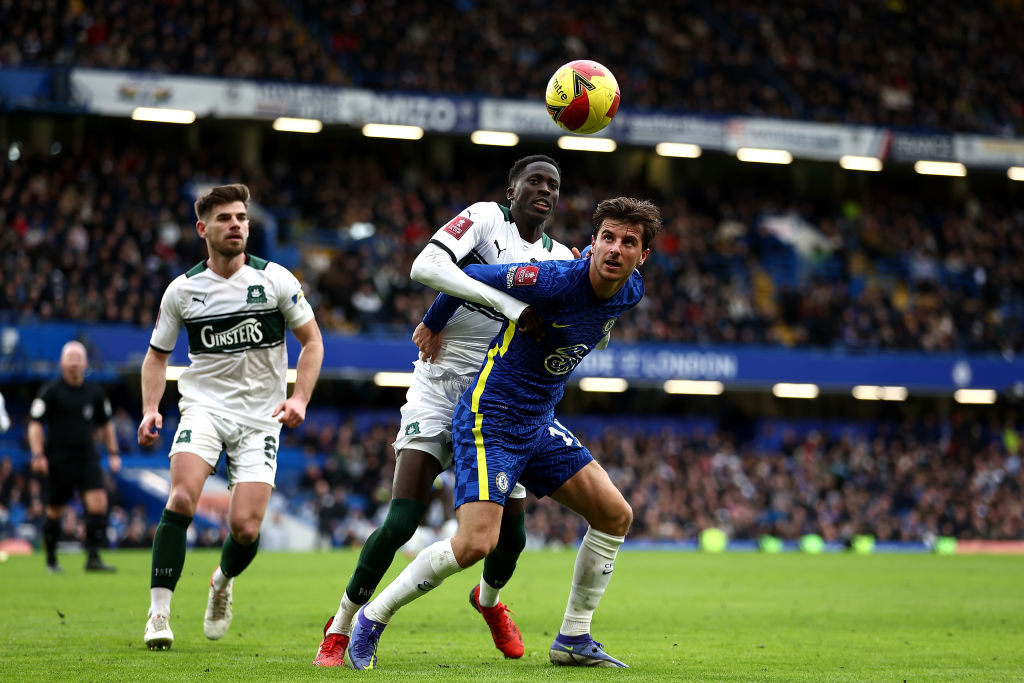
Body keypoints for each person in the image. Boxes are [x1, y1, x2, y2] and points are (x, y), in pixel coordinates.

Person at [344, 196, 663, 670]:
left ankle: (573, 638)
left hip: (539, 420)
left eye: (629, 242)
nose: (616, 249)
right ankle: (371, 618)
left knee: (615, 515)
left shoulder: (630, 290)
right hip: (489, 415)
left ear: (643, 256)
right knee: (476, 544)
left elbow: (600, 325)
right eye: (608, 238)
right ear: (591, 243)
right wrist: (435, 321)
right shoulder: (550, 279)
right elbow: (468, 275)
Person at [314, 155, 579, 666]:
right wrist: (500, 303)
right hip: (439, 386)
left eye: (553, 184)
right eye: (534, 181)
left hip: (500, 399)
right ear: (512, 189)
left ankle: (489, 601)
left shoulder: (559, 257)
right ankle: (342, 624)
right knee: (402, 520)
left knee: (512, 537)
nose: (544, 190)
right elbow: (424, 266)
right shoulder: (484, 218)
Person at [137, 183, 323, 651]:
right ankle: (158, 614)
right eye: (225, 218)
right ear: (203, 229)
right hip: (204, 407)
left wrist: (299, 397)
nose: (237, 224)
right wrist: (149, 409)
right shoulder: (182, 291)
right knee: (181, 497)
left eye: (241, 217)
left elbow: (314, 342)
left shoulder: (276, 279)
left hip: (261, 418)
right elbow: (156, 357)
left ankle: (220, 582)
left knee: (246, 528)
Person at [27, 340, 121, 573]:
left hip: (87, 457)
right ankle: (51, 560)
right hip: (58, 460)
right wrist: (38, 454)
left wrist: (113, 452)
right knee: (54, 511)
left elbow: (106, 424)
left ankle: (93, 557)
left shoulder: (94, 393)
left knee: (98, 503)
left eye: (78, 359)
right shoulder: (51, 392)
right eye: (70, 359)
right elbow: (35, 425)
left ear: (85, 363)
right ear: (62, 363)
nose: (74, 364)